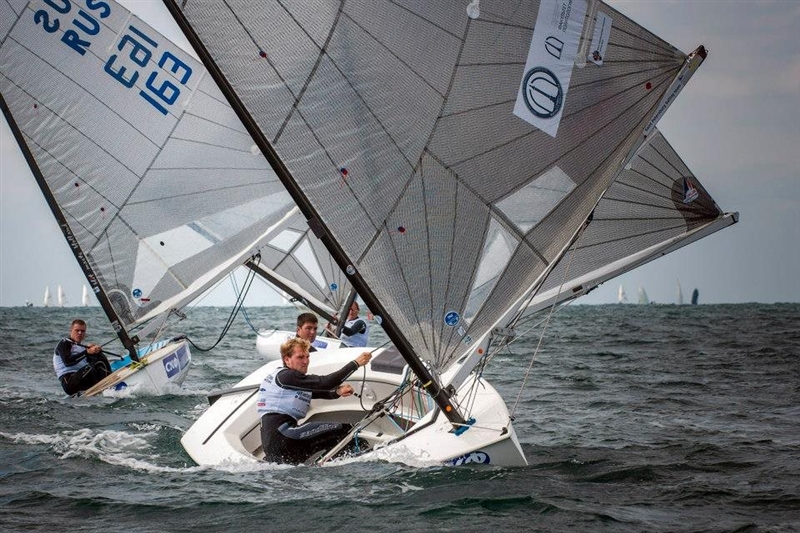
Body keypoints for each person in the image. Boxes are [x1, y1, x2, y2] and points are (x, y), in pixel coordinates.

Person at [257, 337, 372, 464]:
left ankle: (341, 463)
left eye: (307, 357)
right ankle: (365, 461)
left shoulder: (285, 378)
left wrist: (337, 392)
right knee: (344, 429)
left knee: (331, 441)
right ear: (287, 360)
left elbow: (315, 392)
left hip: (276, 444)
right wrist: (356, 364)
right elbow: (325, 383)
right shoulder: (287, 376)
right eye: (300, 357)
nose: (306, 361)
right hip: (284, 436)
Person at [53, 319, 112, 396]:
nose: (80, 333)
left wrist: (95, 352)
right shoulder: (65, 343)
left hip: (83, 379)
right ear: (71, 331)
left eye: (82, 331)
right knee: (99, 362)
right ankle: (110, 385)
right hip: (70, 382)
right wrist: (87, 352)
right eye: (77, 330)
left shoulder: (81, 347)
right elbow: (67, 362)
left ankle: (108, 382)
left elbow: (90, 362)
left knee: (99, 356)